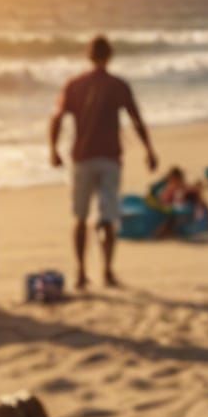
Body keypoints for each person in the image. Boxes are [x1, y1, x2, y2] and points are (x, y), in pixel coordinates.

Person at [49, 34, 156, 290]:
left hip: (82, 158)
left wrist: (53, 149)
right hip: (109, 157)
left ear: (88, 55)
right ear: (109, 56)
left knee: (80, 217)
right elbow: (136, 119)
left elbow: (56, 118)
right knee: (107, 217)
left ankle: (81, 273)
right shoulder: (118, 85)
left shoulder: (74, 84)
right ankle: (107, 271)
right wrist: (149, 150)